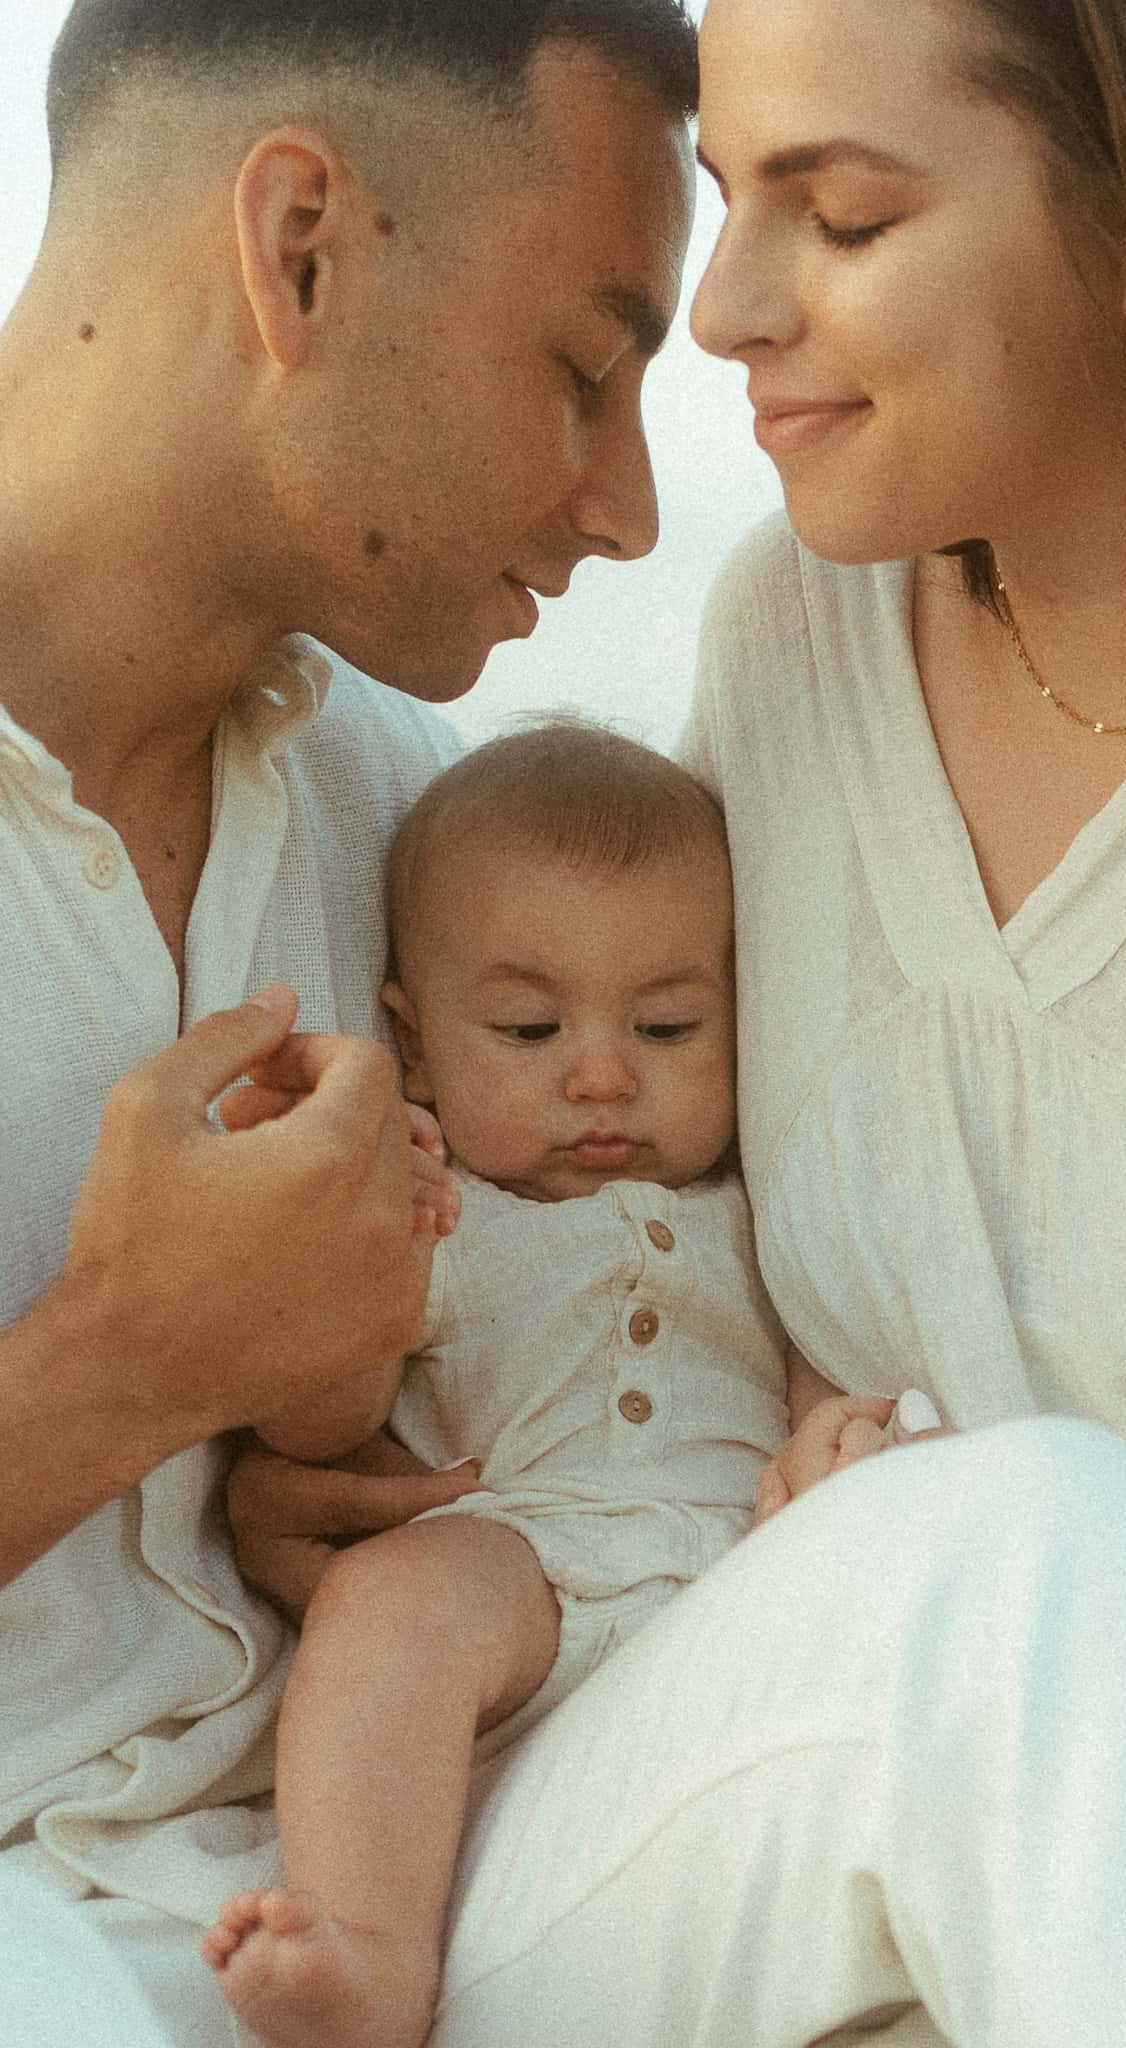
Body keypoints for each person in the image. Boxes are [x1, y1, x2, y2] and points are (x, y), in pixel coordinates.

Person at [228, 0, 1126, 2042]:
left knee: (1038, 1558)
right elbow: (612, 1136)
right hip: (715, 1828)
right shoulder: (791, 645)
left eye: (832, 214)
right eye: (722, 203)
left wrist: (1087, 1762)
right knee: (1023, 1552)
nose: (727, 310)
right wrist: (324, 1426)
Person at [0, 0, 696, 2036]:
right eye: (583, 371)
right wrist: (114, 1376)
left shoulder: (425, 831)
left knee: (1024, 1552)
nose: (631, 505)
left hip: (411, 1863)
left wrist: (354, 1464)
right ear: (299, 245)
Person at [205, 722, 885, 2048]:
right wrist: (353, 1219)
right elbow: (320, 1431)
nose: (599, 1073)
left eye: (668, 1024)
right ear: (410, 1032)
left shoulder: (760, 1202)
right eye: (526, 1026)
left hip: (733, 1578)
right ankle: (366, 1951)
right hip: (521, 1571)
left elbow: (828, 1351)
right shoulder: (440, 1216)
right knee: (386, 1592)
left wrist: (831, 1448)